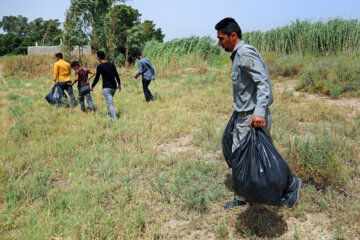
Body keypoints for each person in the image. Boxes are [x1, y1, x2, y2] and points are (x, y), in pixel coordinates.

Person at [215, 18, 302, 209]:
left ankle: (290, 184)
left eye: (221, 38)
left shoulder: (245, 53)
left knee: (262, 157)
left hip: (253, 118)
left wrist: (259, 113)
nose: (219, 43)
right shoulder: (237, 55)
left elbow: (263, 83)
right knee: (242, 156)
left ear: (233, 36)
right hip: (243, 115)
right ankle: (244, 196)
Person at [90, 51, 121, 119]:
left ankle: (115, 119)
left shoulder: (100, 66)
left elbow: (97, 78)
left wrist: (92, 86)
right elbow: (116, 75)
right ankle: (109, 115)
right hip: (113, 87)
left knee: (110, 104)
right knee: (109, 102)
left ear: (98, 58)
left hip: (106, 88)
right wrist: (119, 84)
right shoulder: (111, 64)